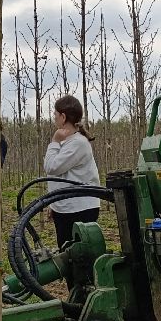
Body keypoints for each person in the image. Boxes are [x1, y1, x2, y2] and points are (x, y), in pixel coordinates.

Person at [44, 95, 101, 248]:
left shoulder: (78, 143)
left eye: (55, 115)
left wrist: (54, 142)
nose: (54, 119)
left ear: (63, 117)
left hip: (80, 209)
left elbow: (52, 167)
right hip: (67, 208)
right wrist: (55, 204)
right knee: (66, 255)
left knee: (78, 258)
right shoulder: (70, 142)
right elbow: (62, 176)